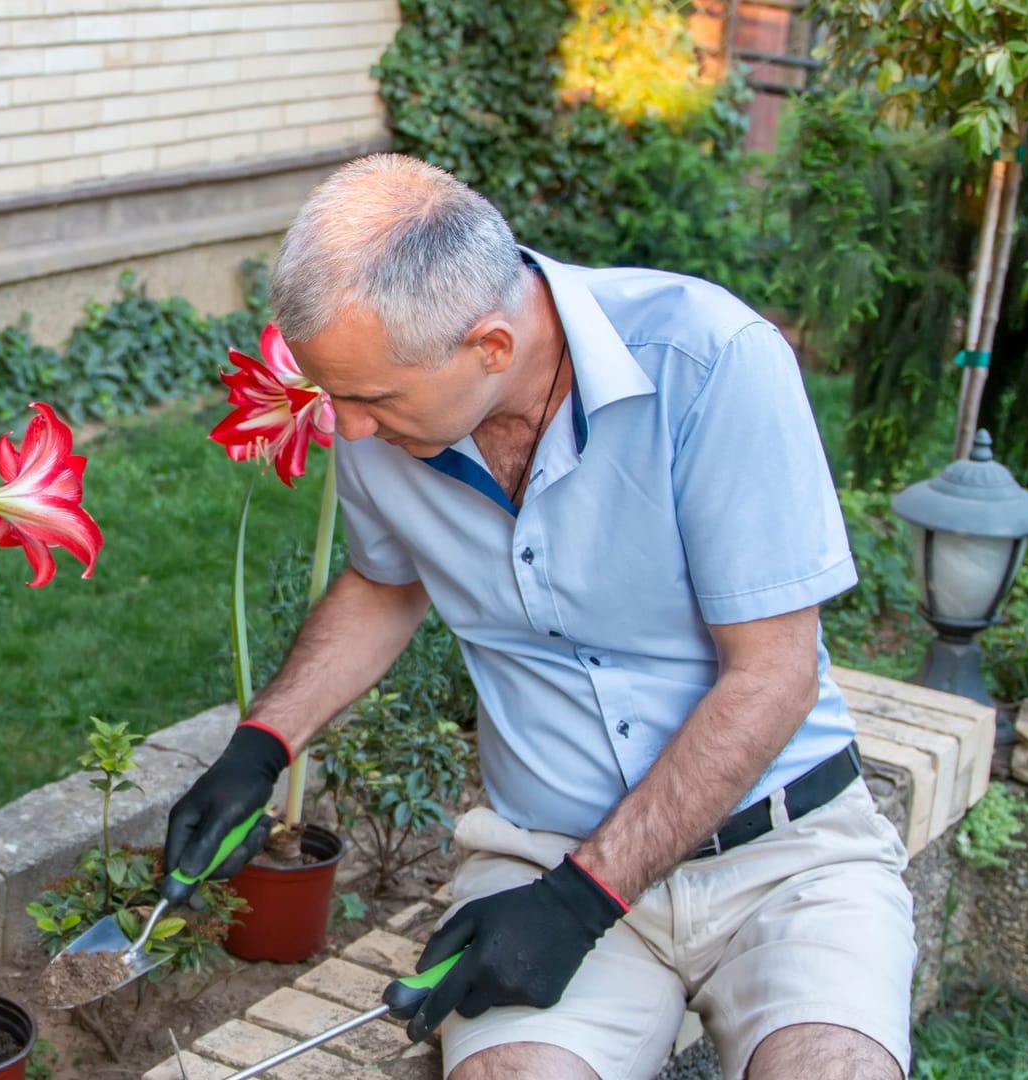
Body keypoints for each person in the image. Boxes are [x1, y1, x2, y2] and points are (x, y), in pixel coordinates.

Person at [162, 154, 914, 1080]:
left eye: (370, 400)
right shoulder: (384, 416)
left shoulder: (708, 362)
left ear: (490, 346)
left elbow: (774, 675)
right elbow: (386, 585)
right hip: (539, 854)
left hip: (786, 854)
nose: (345, 429)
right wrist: (260, 746)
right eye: (333, 395)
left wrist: (581, 903)